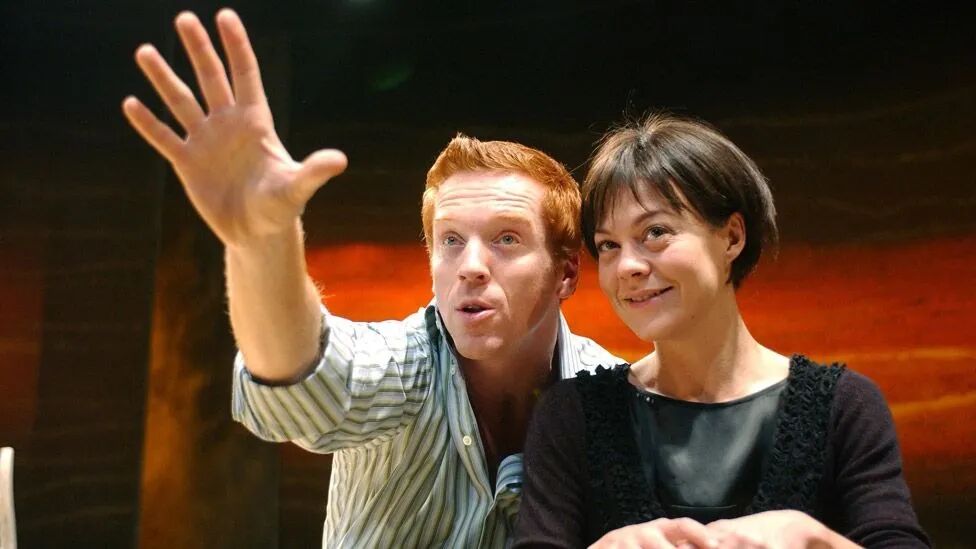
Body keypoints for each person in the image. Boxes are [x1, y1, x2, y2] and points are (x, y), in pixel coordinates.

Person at [122, 8, 619, 548]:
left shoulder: (615, 397)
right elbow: (305, 376)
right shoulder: (403, 366)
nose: (471, 266)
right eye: (451, 241)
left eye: (506, 239)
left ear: (566, 272)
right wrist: (263, 241)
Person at [514, 114, 930, 548]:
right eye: (608, 245)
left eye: (655, 232)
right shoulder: (571, 415)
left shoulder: (844, 407)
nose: (627, 267)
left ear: (731, 237)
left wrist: (813, 538)